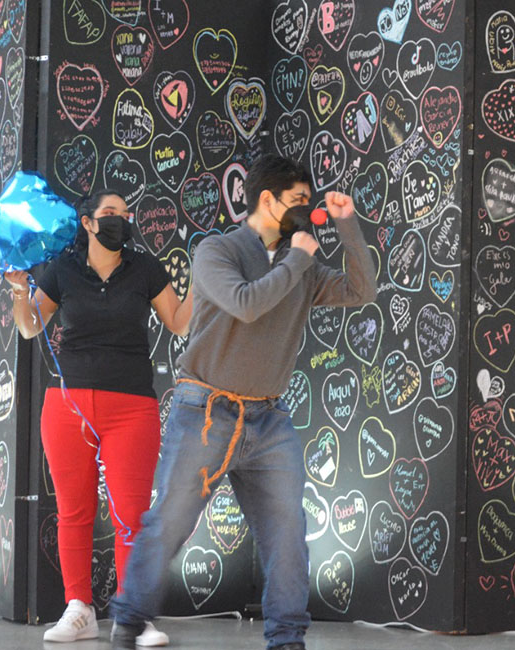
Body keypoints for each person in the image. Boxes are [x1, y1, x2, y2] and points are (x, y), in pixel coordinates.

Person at [109, 154, 377, 650]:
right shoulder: (216, 251)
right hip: (205, 411)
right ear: (267, 201)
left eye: (310, 203)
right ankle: (128, 621)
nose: (306, 210)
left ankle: (287, 638)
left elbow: (361, 290)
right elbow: (247, 304)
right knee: (169, 521)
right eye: (298, 202)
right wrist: (297, 259)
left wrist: (347, 225)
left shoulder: (304, 268)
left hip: (269, 418)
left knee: (287, 533)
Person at [5, 189, 192, 646]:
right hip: (67, 406)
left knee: (132, 515)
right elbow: (32, 327)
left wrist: (208, 279)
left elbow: (181, 323)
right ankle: (79, 609)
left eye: (126, 214)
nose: (120, 221)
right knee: (74, 511)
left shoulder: (144, 268)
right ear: (88, 222)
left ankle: (132, 615)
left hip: (132, 406)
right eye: (110, 214)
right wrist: (16, 289)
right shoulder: (63, 269)